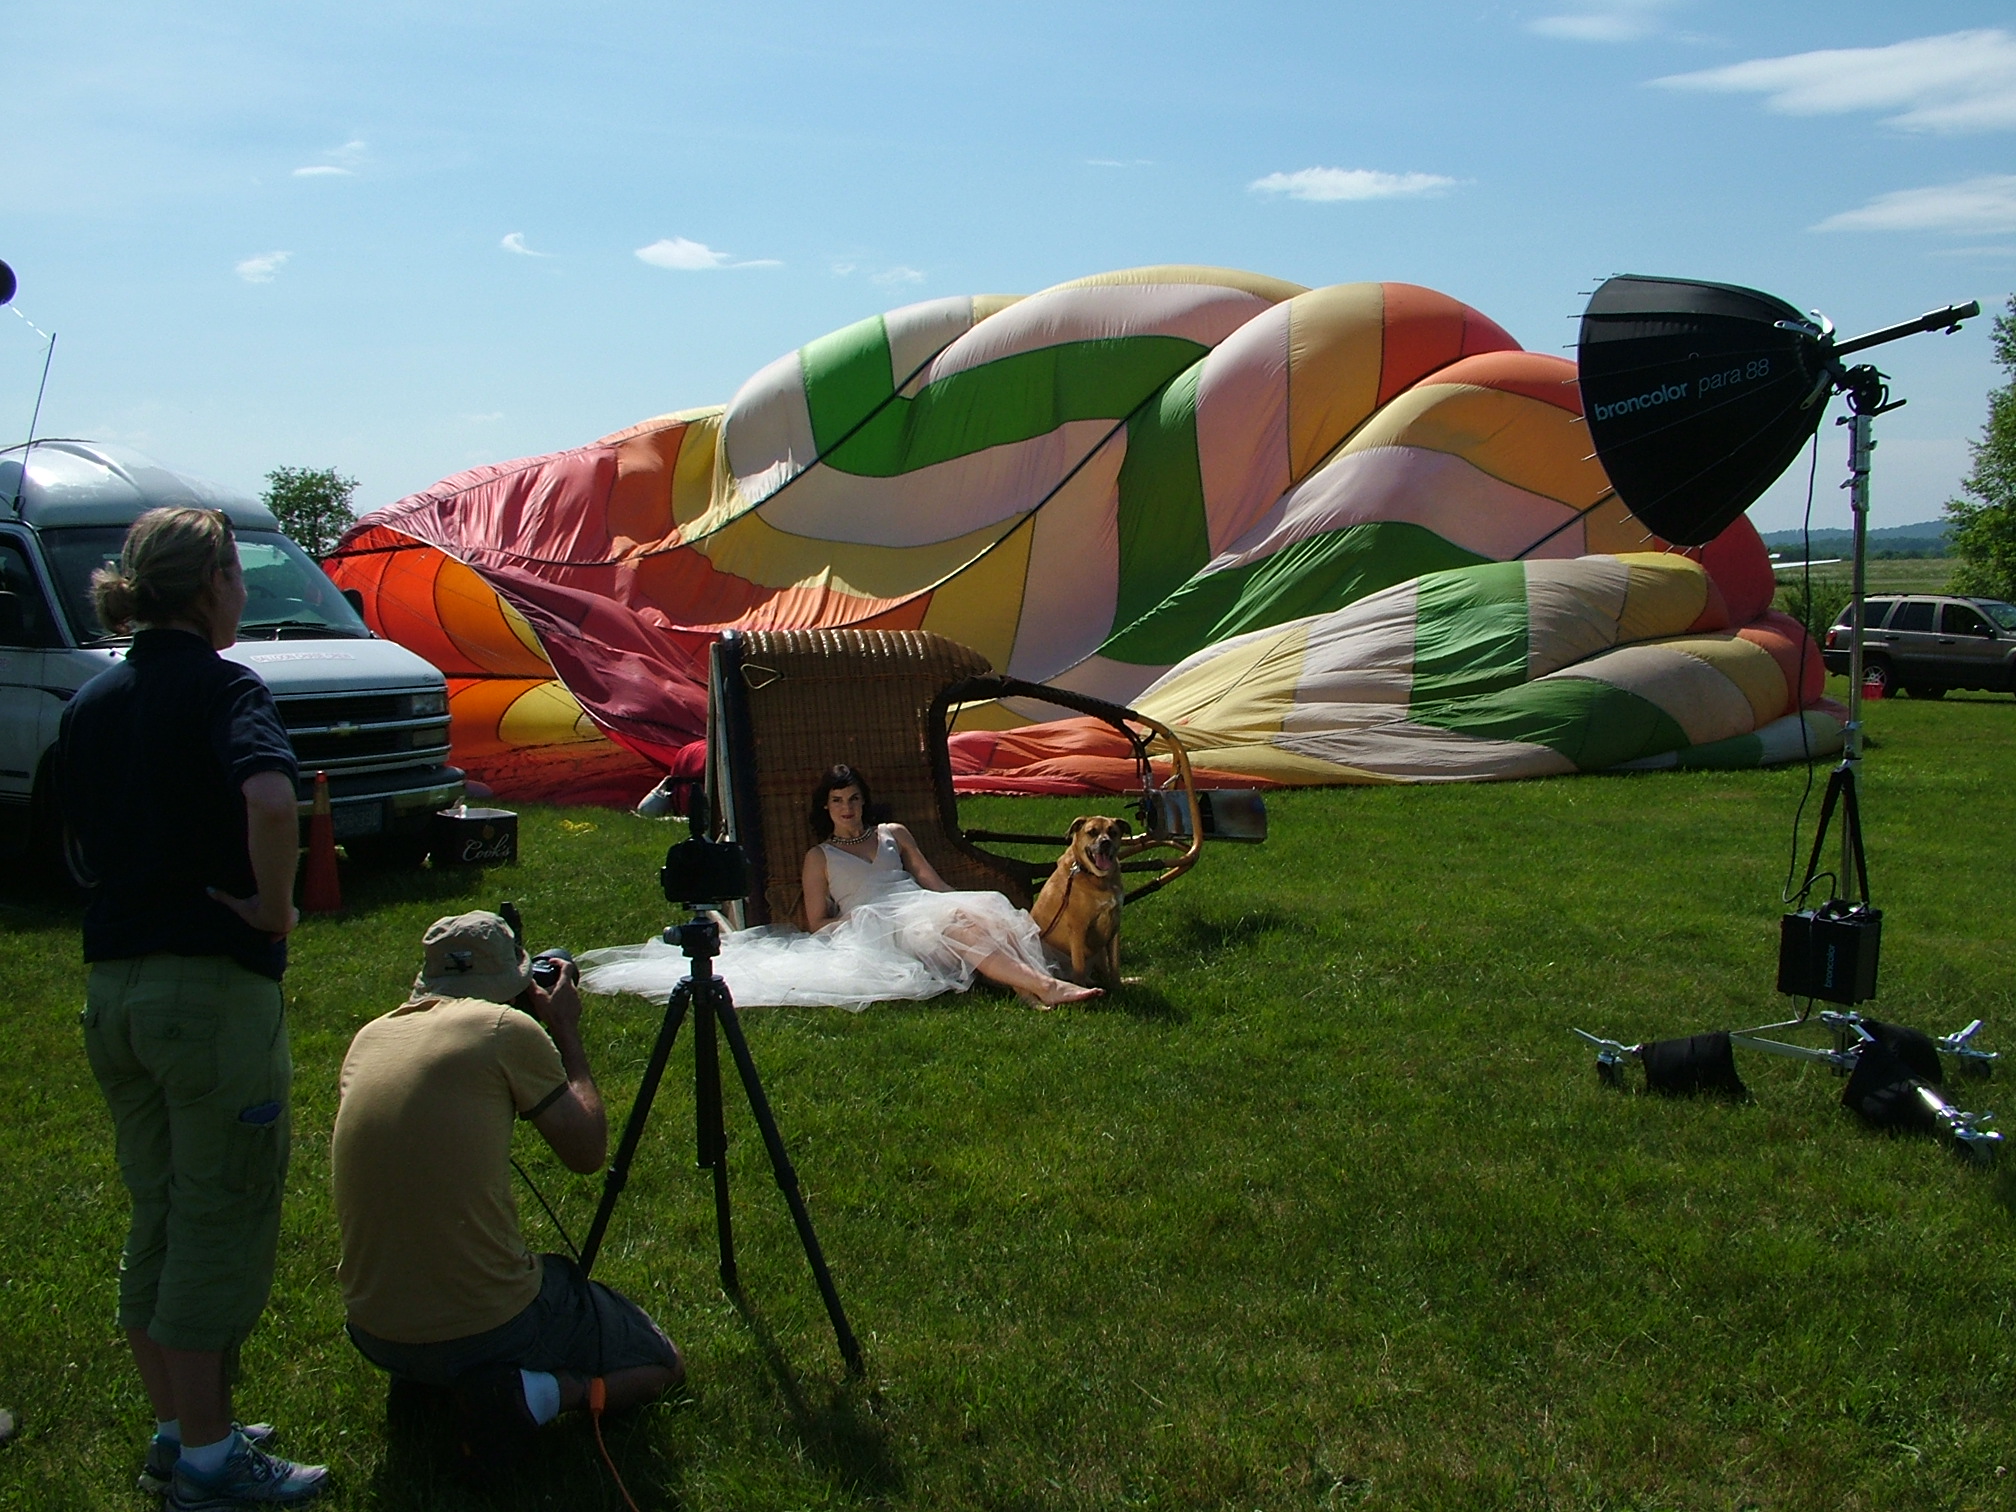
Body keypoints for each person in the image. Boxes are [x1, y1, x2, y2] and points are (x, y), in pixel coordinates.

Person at [58, 506, 328, 1508]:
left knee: (158, 1207)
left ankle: (178, 1427)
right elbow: (269, 799)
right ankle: (215, 1464)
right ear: (211, 584)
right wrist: (272, 904)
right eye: (237, 575)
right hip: (206, 993)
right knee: (222, 1210)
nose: (243, 593)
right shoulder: (226, 688)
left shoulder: (94, 700)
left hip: (113, 989)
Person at [330, 912, 683, 1479]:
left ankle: (430, 1382)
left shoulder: (369, 1037)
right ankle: (535, 1393)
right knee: (659, 1361)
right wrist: (565, 1030)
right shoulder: (503, 1031)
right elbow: (587, 1151)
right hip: (487, 1326)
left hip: (373, 1328)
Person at [580, 765, 1100, 1010]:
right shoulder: (819, 857)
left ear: (862, 801)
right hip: (874, 921)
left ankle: (1031, 989)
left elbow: (933, 884)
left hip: (918, 905)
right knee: (957, 925)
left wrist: (961, 901)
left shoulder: (894, 834)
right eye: (837, 801)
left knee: (974, 915)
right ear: (824, 809)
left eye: (853, 798)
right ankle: (1045, 986)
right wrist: (856, 922)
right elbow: (815, 922)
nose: (847, 808)